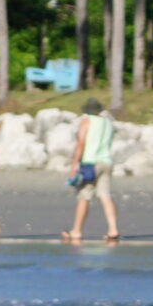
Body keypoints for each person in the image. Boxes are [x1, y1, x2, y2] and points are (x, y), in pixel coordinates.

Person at [63, 98, 119, 245]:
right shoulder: (107, 123)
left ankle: (76, 230)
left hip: (90, 162)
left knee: (84, 196)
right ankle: (113, 229)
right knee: (105, 195)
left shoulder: (86, 122)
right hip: (106, 160)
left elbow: (81, 143)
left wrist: (74, 165)